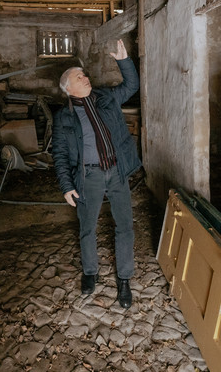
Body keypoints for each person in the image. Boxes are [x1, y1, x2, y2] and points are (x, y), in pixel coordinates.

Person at [52, 39, 141, 309]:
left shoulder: (105, 97)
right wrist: (67, 186)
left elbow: (131, 86)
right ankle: (90, 272)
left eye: (85, 75)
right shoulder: (64, 118)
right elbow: (59, 155)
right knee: (87, 228)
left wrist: (124, 61)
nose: (86, 78)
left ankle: (124, 279)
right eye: (80, 77)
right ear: (69, 88)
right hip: (88, 176)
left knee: (124, 225)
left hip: (116, 170)